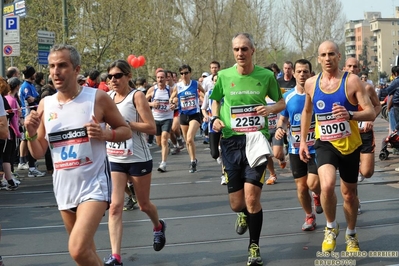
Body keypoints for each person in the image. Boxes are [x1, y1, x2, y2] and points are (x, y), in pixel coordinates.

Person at [24, 44, 132, 266]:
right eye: (52, 66)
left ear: (76, 69)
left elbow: (126, 130)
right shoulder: (46, 104)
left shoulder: (97, 98)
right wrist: (31, 133)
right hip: (64, 187)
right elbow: (38, 151)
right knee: (87, 252)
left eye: (62, 65)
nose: (56, 72)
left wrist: (105, 133)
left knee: (77, 249)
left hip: (93, 185)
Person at [211, 33, 285, 266]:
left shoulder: (266, 76)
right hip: (231, 142)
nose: (240, 53)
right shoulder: (223, 76)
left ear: (253, 50)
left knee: (252, 199)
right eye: (236, 49)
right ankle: (241, 213)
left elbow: (281, 103)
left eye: (244, 49)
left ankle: (254, 246)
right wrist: (214, 117)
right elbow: (215, 100)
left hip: (256, 141)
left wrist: (270, 110)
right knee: (237, 203)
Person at [299, 41, 375, 253]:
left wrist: (351, 115)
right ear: (319, 58)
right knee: (326, 185)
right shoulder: (312, 83)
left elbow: (370, 111)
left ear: (339, 57)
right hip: (325, 143)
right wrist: (304, 140)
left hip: (350, 145)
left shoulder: (352, 81)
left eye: (331, 54)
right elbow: (307, 112)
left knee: (349, 194)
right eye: (323, 54)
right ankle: (331, 227)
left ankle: (351, 233)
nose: (327, 58)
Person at [105, 59, 166, 266]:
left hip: (138, 158)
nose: (113, 80)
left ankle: (158, 226)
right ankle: (116, 257)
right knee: (115, 207)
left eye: (118, 76)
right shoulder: (108, 97)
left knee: (143, 205)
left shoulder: (136, 96)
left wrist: (127, 124)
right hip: (115, 158)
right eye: (110, 77)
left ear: (128, 76)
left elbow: (151, 128)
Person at [275, 59, 322, 231]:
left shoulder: (318, 95)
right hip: (295, 148)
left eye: (306, 71)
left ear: (311, 74)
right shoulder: (288, 97)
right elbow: (282, 119)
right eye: (299, 71)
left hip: (317, 147)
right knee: (302, 188)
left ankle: (317, 194)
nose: (302, 74)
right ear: (293, 74)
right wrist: (280, 129)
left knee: (312, 183)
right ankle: (309, 216)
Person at [343, 57, 381, 215]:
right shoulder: (340, 88)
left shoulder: (367, 87)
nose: (352, 69)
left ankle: (359, 171)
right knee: (351, 176)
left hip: (365, 133)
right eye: (349, 66)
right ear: (345, 68)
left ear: (359, 69)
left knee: (366, 172)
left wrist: (371, 118)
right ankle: (355, 202)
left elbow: (378, 106)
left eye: (355, 66)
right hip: (348, 134)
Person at [170, 64, 206, 173]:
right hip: (183, 115)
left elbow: (205, 93)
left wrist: (204, 102)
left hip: (195, 114)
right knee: (187, 141)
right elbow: (171, 99)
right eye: (182, 73)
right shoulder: (178, 86)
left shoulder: (195, 84)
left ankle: (193, 160)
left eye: (186, 73)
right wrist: (173, 102)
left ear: (190, 73)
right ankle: (193, 160)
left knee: (190, 138)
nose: (184, 75)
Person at [146, 69, 174, 172]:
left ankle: (163, 163)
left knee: (164, 139)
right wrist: (152, 104)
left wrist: (173, 105)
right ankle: (166, 147)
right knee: (159, 143)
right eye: (158, 77)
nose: (160, 79)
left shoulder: (170, 90)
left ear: (166, 78)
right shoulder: (152, 90)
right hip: (156, 118)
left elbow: (176, 101)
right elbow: (143, 102)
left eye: (162, 77)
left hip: (167, 117)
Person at [19, 65, 45, 177]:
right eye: (34, 73)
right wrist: (36, 100)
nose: (36, 75)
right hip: (29, 117)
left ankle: (32, 165)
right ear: (31, 74)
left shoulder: (31, 85)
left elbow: (36, 99)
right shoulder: (26, 86)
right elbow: (30, 101)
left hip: (34, 117)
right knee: (30, 140)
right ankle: (31, 168)